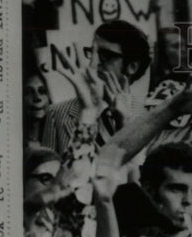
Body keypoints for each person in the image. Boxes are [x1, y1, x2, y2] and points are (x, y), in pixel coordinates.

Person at [41, 20, 152, 155]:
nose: (94, 62)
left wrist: (124, 123)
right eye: (91, 52)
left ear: (132, 67)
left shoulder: (147, 118)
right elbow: (47, 170)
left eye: (105, 55)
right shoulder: (56, 113)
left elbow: (138, 173)